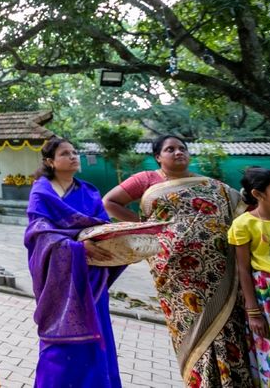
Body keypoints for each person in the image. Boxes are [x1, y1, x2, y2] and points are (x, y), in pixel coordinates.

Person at [103, 135, 253, 387]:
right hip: (176, 276)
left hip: (219, 270)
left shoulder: (211, 185)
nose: (178, 152)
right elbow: (109, 202)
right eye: (169, 149)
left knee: (227, 321)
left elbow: (238, 210)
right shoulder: (146, 180)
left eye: (182, 148)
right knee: (191, 326)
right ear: (158, 157)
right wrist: (145, 227)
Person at [24, 137, 123, 388]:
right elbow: (39, 235)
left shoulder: (89, 192)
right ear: (50, 161)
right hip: (59, 278)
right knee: (60, 345)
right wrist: (77, 248)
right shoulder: (42, 191)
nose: (73, 156)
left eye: (74, 152)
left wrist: (104, 243)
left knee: (95, 333)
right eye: (65, 153)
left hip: (91, 276)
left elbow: (103, 228)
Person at [228, 167, 270, 387]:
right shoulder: (244, 224)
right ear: (258, 194)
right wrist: (253, 312)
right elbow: (243, 269)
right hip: (268, 298)